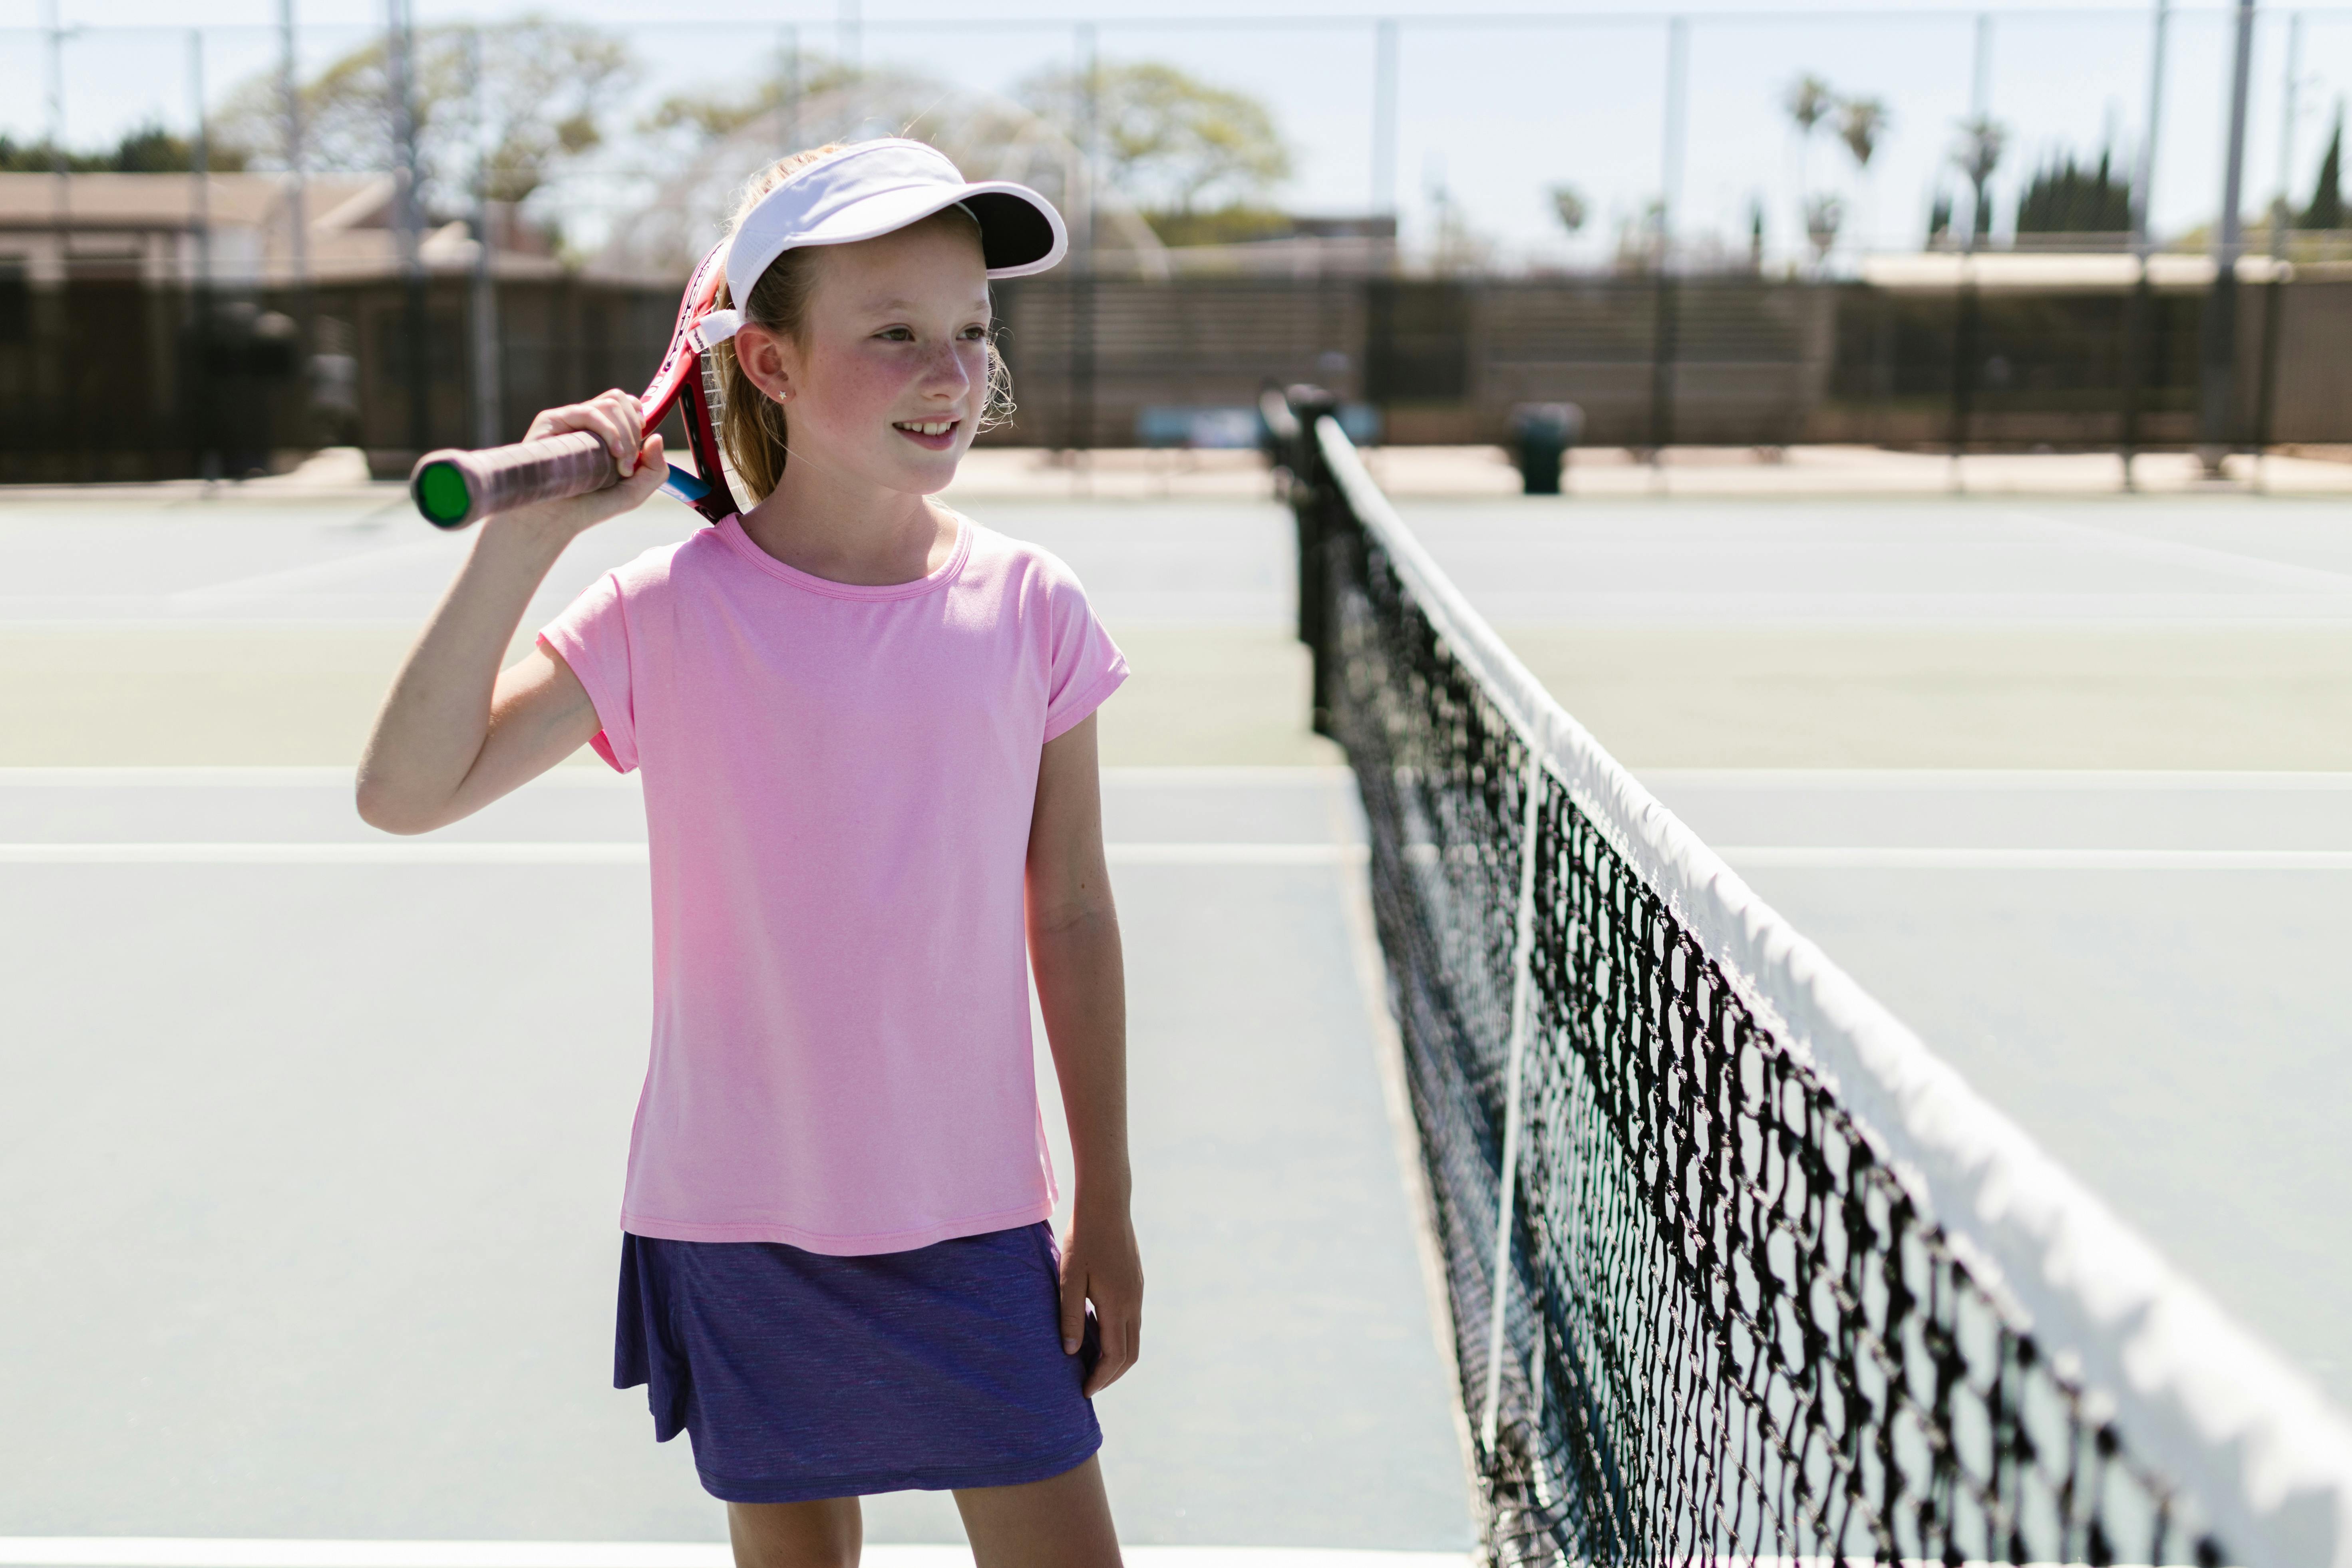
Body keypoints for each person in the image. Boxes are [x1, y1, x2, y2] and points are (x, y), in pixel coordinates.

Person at [356, 140, 1139, 1568]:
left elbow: (1072, 910)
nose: (949, 372)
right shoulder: (663, 611)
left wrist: (1111, 1200)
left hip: (975, 1219)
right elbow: (405, 792)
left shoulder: (1035, 605)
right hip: (739, 1222)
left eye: (970, 331)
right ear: (767, 365)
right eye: (893, 333)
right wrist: (526, 549)